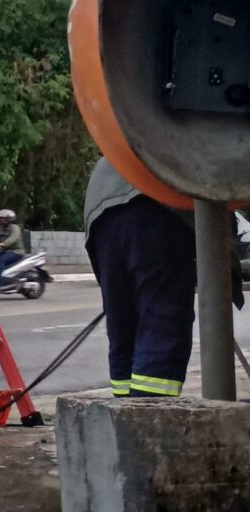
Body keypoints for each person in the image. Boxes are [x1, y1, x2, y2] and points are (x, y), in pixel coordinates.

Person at [84, 157, 196, 397]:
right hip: (158, 198)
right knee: (163, 324)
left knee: (125, 330)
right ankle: (150, 423)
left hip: (101, 207)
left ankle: (124, 420)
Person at [0, 208, 25, 285]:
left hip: (16, 251)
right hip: (5, 251)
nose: (1, 220)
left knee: (1, 259)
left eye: (2, 218)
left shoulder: (15, 227)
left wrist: (3, 244)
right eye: (0, 218)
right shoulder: (1, 228)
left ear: (9, 219)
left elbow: (13, 238)